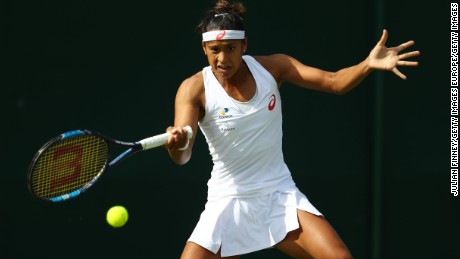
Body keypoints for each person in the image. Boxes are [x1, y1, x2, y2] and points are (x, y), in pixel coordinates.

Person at [163, 1, 420, 258]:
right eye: (215, 50)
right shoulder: (193, 88)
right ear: (204, 49)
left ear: (244, 45)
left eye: (230, 48)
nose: (222, 58)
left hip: (278, 193)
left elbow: (335, 82)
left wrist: (368, 64)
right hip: (227, 200)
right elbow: (182, 156)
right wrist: (178, 145)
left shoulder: (274, 68)